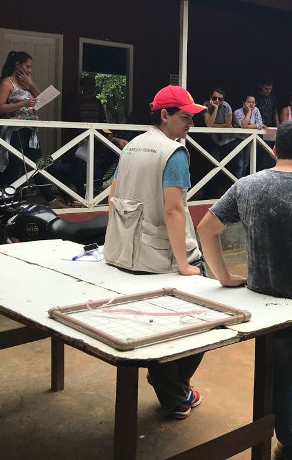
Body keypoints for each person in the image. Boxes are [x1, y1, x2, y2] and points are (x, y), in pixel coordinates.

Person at [197, 120, 292, 460]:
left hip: (267, 308)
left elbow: (206, 228)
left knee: (282, 379)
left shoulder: (246, 186)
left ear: (273, 150)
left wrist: (223, 276)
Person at [104, 85, 210, 419]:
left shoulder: (132, 146)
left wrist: (119, 241)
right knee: (206, 318)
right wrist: (184, 264)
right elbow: (174, 210)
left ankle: (173, 387)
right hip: (160, 255)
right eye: (185, 117)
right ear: (164, 115)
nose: (190, 123)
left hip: (125, 252)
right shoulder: (173, 152)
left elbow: (113, 196)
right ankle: (173, 388)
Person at [0, 51, 65, 209]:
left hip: (30, 131)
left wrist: (30, 83)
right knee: (13, 166)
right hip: (15, 131)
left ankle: (50, 199)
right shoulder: (7, 83)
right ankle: (7, 201)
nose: (30, 70)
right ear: (17, 65)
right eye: (27, 66)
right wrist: (23, 103)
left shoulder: (26, 85)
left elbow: (41, 100)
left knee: (39, 164)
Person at [203, 86, 237, 165]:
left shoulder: (226, 106)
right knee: (214, 163)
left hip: (228, 140)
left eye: (220, 99)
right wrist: (215, 108)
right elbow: (209, 124)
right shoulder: (206, 105)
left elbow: (228, 125)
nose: (217, 101)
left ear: (223, 99)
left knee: (227, 164)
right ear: (210, 97)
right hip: (214, 140)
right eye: (214, 98)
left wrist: (213, 125)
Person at [233, 94, 263, 179]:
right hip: (239, 139)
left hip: (250, 139)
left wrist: (247, 126)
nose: (251, 104)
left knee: (246, 164)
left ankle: (244, 183)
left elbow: (260, 124)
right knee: (240, 164)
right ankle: (237, 182)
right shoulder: (237, 112)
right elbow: (243, 125)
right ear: (244, 103)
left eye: (253, 102)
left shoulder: (256, 110)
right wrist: (249, 111)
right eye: (249, 102)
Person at [255, 77, 279, 170]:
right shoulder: (256, 97)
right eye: (266, 88)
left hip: (269, 128)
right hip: (257, 129)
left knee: (269, 152)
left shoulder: (272, 98)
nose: (268, 91)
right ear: (261, 86)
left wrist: (278, 126)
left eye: (270, 88)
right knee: (257, 153)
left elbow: (275, 112)